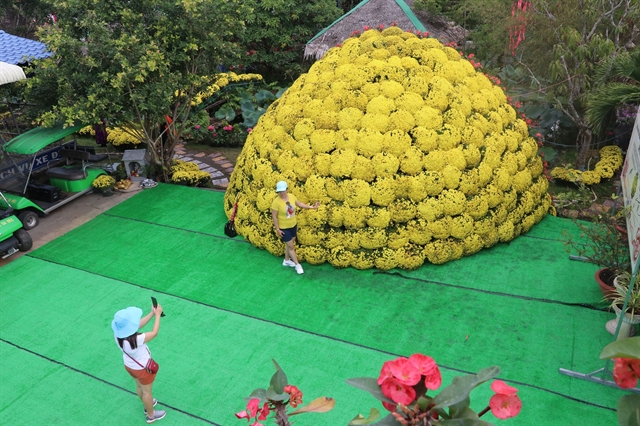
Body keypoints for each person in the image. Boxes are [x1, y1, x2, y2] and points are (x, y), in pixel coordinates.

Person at [112, 304, 165, 424]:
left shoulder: (119, 335)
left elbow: (135, 326)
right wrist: (157, 315)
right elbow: (154, 333)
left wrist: (151, 314)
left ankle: (148, 405)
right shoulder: (136, 339)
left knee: (139, 387)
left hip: (130, 366)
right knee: (147, 392)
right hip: (143, 369)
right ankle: (151, 414)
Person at [271, 180, 319, 274]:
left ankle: (286, 260)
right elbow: (274, 216)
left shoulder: (292, 197)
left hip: (293, 225)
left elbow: (299, 204)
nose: (281, 193)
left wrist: (311, 207)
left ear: (287, 189)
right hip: (284, 228)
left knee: (290, 244)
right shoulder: (276, 203)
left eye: (283, 191)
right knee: (291, 247)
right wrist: (277, 229)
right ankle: (297, 265)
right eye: (279, 191)